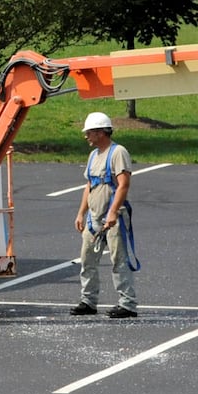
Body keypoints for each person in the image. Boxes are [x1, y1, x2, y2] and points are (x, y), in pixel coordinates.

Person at [71, 111, 139, 318]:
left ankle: (127, 304)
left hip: (114, 216)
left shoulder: (118, 153)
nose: (86, 137)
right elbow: (89, 186)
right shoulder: (93, 156)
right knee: (87, 259)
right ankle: (88, 301)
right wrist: (81, 213)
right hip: (94, 217)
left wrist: (112, 213)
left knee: (119, 260)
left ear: (101, 132)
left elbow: (123, 185)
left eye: (89, 132)